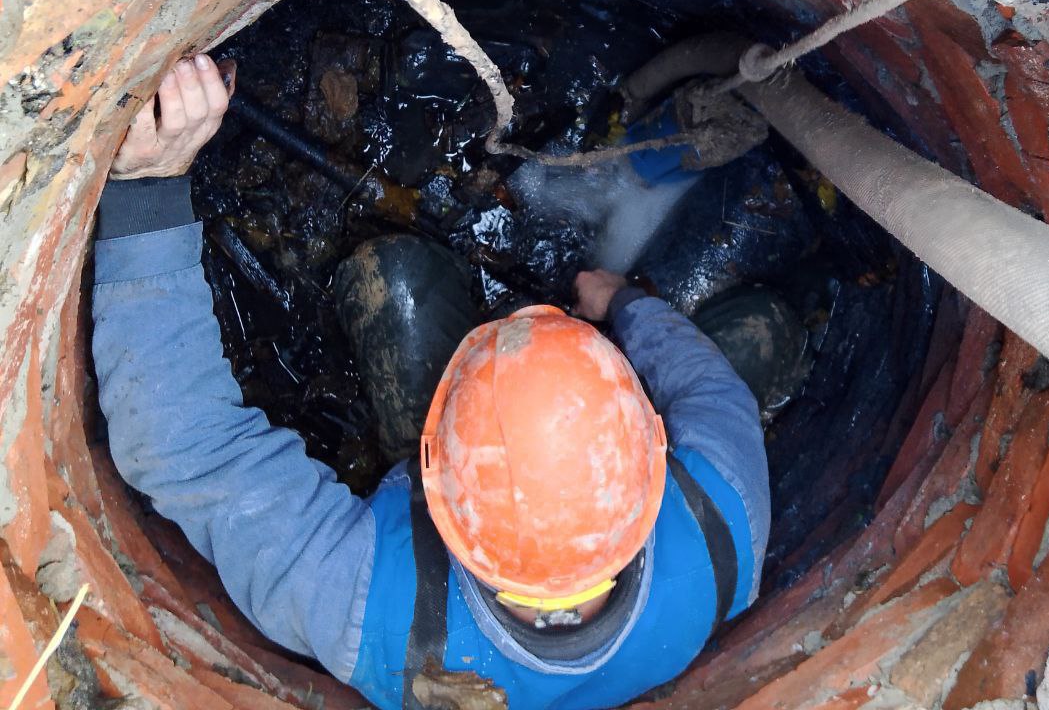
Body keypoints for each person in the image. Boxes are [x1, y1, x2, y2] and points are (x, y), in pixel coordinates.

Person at [93, 53, 770, 710]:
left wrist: (147, 191)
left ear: (435, 466)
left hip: (411, 581)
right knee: (765, 331)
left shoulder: (374, 612)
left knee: (397, 279)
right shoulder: (726, 522)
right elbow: (715, 394)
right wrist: (625, 303)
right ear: (651, 449)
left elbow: (182, 442)